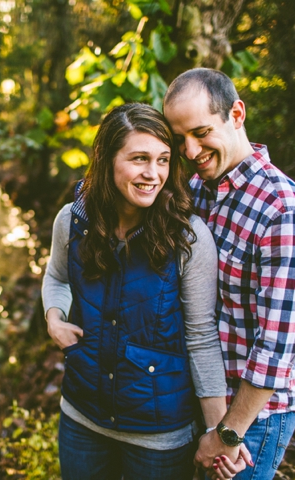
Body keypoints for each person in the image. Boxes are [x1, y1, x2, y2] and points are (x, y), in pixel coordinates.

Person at [42, 103, 250, 480]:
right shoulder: (73, 221)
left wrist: (218, 434)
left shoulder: (189, 237)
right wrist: (54, 317)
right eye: (139, 158)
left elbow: (201, 337)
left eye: (163, 160)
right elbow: (56, 277)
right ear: (107, 160)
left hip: (159, 437)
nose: (153, 174)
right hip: (81, 419)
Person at [163, 68, 295, 480]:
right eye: (180, 139)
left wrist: (228, 433)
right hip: (204, 395)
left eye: (200, 132)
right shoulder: (198, 190)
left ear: (236, 113)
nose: (190, 149)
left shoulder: (286, 213)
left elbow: (277, 347)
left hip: (255, 414)